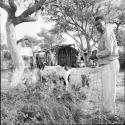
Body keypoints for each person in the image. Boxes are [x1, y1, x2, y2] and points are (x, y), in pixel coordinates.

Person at [94, 16, 120, 115]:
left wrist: (96, 55)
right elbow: (103, 50)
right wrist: (97, 54)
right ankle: (107, 112)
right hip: (106, 64)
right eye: (96, 24)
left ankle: (109, 114)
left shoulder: (108, 34)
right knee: (106, 90)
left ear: (105, 23)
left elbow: (109, 51)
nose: (97, 26)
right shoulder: (102, 35)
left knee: (109, 90)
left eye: (99, 23)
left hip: (110, 63)